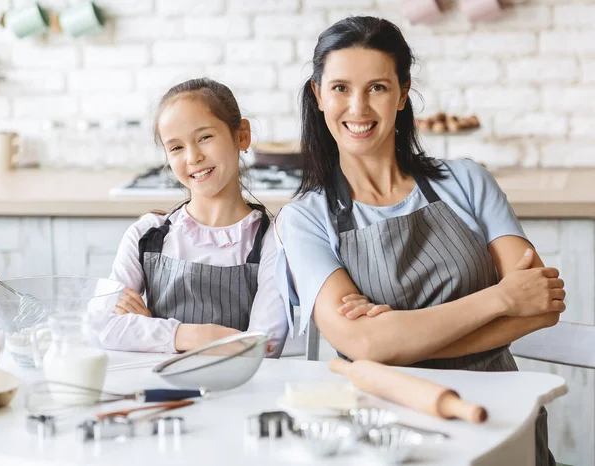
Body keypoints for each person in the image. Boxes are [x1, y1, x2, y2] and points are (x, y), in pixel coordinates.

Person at [274, 16, 563, 465]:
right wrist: (499, 299)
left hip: (503, 417)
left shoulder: (467, 181)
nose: (358, 107)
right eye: (340, 88)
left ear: (403, 93)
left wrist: (396, 339)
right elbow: (364, 345)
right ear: (317, 95)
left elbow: (541, 305)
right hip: (385, 429)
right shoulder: (304, 220)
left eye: (377, 88)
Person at [99, 78, 289, 357]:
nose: (193, 157)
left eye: (204, 138)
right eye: (176, 147)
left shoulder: (273, 241)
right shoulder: (148, 234)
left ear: (241, 136)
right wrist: (193, 335)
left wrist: (149, 329)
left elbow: (263, 348)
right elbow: (100, 325)